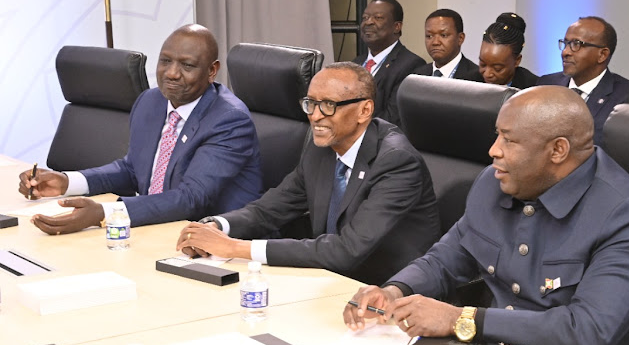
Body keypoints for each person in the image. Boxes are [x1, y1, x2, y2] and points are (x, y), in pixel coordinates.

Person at [343, 85, 629, 345]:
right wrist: (396, 291)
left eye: (509, 139)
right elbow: (448, 258)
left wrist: (461, 320)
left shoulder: (628, 217)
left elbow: (588, 332)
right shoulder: (495, 182)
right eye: (497, 134)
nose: (494, 150)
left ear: (558, 150)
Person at [175, 62, 440, 286]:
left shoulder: (397, 161)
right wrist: (216, 226)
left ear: (364, 110)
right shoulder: (321, 149)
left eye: (327, 105)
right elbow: (269, 209)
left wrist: (235, 248)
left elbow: (347, 251)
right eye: (310, 104)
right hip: (330, 281)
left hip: (387, 290)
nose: (315, 116)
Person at [18, 24, 263, 235]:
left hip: (214, 244)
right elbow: (132, 169)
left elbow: (191, 199)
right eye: (165, 61)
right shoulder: (151, 101)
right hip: (158, 230)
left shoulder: (229, 119)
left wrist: (105, 213)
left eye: (187, 66)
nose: (172, 73)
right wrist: (66, 181)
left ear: (211, 71)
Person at [538, 16, 629, 145]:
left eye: (576, 44)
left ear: (602, 55)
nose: (565, 52)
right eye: (565, 43)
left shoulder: (627, 97)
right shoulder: (546, 85)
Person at [352, 0, 425, 127]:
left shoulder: (411, 65)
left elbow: (392, 119)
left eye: (378, 18)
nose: (368, 22)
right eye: (365, 18)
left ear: (396, 27)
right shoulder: (355, 63)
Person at [411, 9, 482, 82]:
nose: (435, 42)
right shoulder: (417, 76)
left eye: (443, 35)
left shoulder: (477, 77)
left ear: (460, 38)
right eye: (429, 36)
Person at [477, 13, 538, 90]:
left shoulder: (534, 89)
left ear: (517, 61)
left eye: (497, 68)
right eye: (482, 64)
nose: (487, 74)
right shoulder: (467, 82)